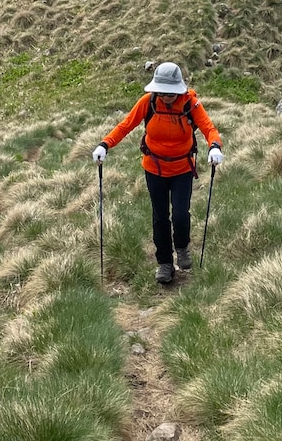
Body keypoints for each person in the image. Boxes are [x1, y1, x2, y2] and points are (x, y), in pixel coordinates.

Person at [93, 62, 222, 285]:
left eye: (170, 92)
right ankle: (164, 263)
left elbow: (208, 127)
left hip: (182, 169)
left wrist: (215, 146)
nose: (166, 96)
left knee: (181, 215)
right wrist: (105, 144)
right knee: (160, 217)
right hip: (154, 169)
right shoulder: (149, 102)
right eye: (162, 91)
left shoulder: (190, 104)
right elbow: (126, 125)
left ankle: (182, 248)